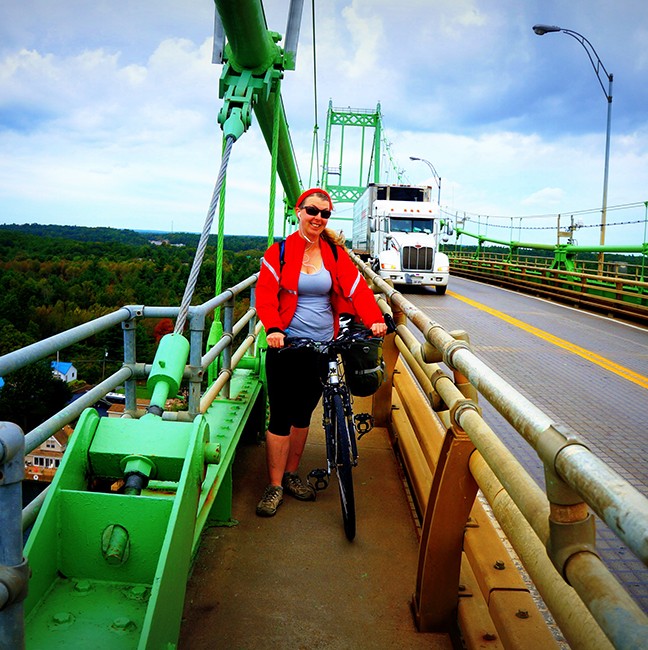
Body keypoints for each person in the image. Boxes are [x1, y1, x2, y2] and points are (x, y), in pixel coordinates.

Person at [255, 187, 388, 517]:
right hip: (286, 345)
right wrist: (272, 328)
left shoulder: (332, 253)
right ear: (299, 211)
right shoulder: (280, 252)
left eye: (325, 214)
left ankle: (290, 476)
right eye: (312, 211)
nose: (318, 217)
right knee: (282, 416)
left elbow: (356, 287)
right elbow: (266, 294)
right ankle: (273, 486)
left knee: (304, 415)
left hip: (324, 347)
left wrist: (373, 320)